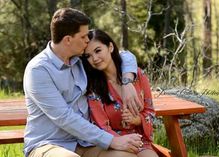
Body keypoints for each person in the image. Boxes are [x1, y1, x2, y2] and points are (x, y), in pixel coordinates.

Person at [23, 8, 143, 157]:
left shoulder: (80, 59)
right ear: (68, 40)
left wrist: (127, 82)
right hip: (48, 144)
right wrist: (112, 140)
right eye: (83, 36)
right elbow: (64, 118)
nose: (88, 40)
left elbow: (124, 55)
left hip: (85, 143)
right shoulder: (39, 70)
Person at [82, 29, 159, 157]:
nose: (94, 59)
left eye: (98, 50)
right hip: (114, 143)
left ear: (110, 47)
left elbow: (150, 112)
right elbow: (102, 127)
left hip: (140, 141)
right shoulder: (93, 88)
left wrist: (138, 120)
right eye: (88, 56)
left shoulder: (138, 75)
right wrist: (121, 142)